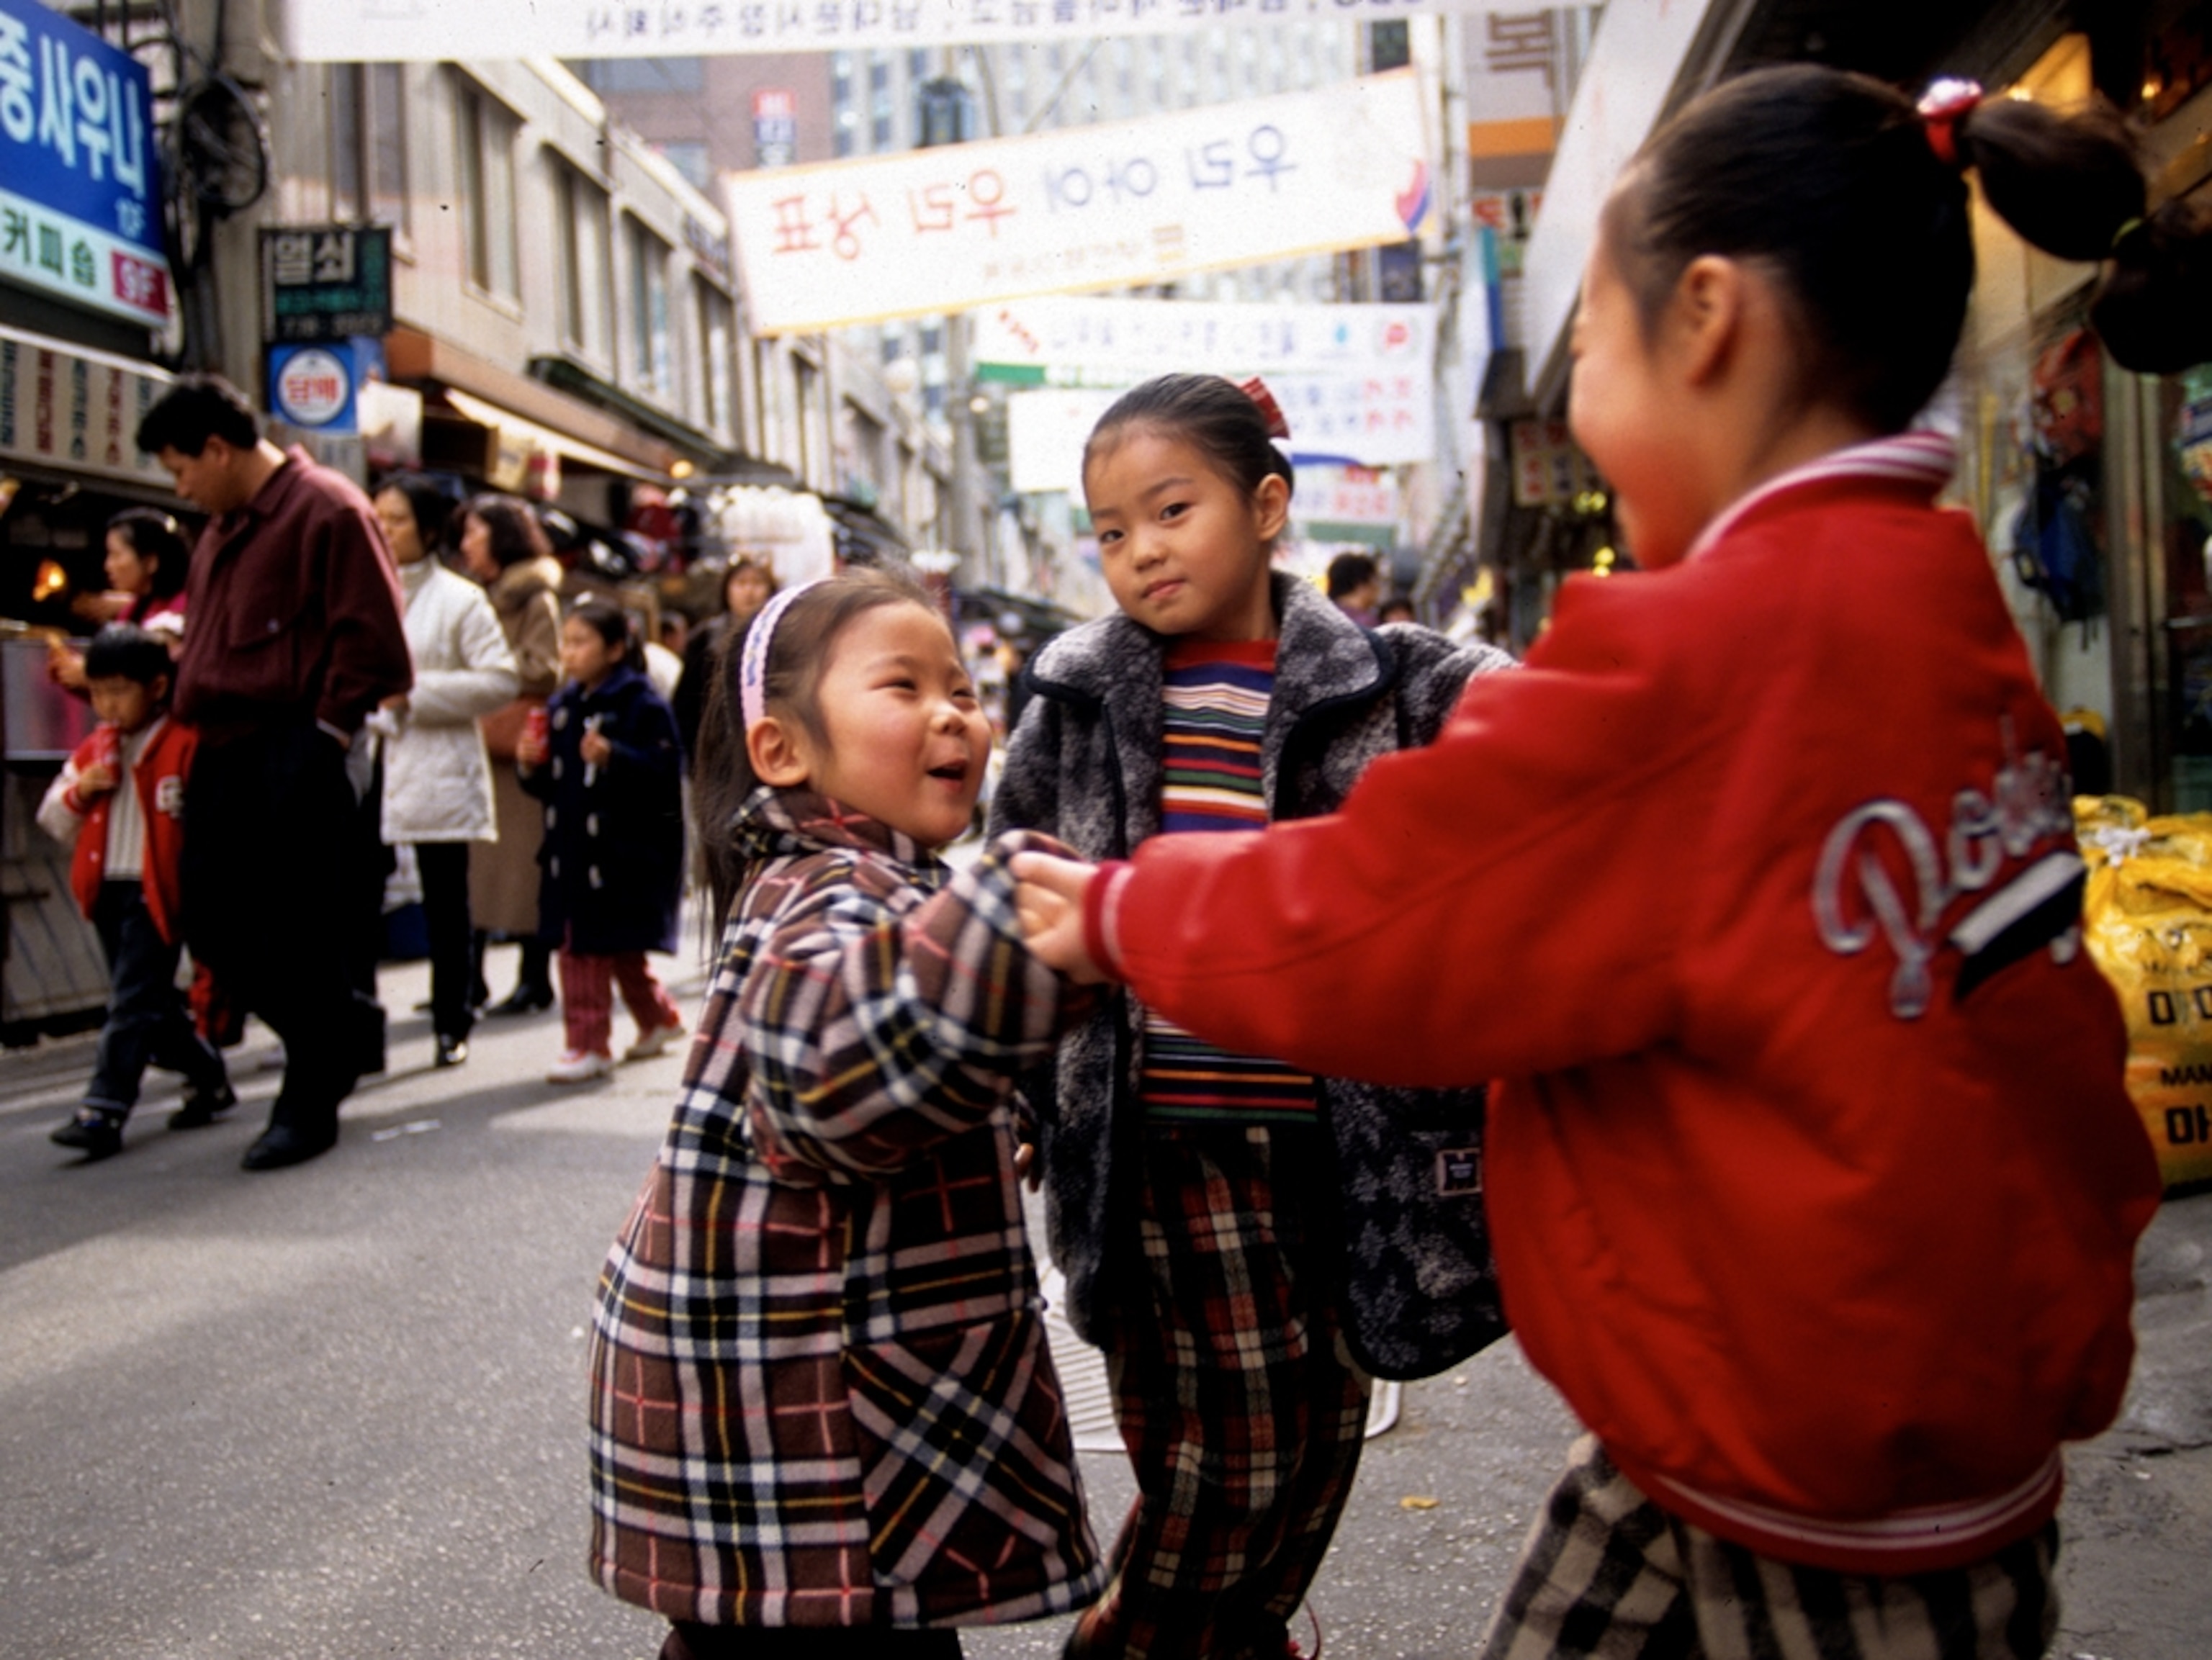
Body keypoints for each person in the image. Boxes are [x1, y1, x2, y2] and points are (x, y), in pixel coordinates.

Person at [1012, 67, 2199, 1659]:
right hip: (1826, 1392)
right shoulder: (1938, 602)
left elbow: (1392, 915)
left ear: (1704, 322)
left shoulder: (1700, 660)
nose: (1575, 394)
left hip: (1808, 1442)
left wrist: (1119, 907)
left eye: (1592, 343)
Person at [988, 373, 1509, 1660]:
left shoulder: (1388, 678)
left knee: (1318, 1440)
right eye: (1111, 530)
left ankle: (1217, 1641)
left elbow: (1537, 730)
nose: (1141, 550)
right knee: (1227, 1458)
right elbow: (1013, 901)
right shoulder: (1073, 697)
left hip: (1341, 1145)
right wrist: (1020, 1090)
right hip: (1155, 1151)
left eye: (1172, 510)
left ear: (1267, 506)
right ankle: (1136, 1642)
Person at [588, 567, 1104, 1660]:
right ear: (782, 750)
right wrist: (1012, 945)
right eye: (904, 686)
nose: (953, 714)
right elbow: (827, 1078)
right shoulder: (833, 890)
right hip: (810, 1428)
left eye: (963, 688)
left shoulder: (873, 879)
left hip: (803, 1410)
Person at [138, 374, 410, 1172]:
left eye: (181, 468)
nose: (181, 487)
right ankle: (341, 1027)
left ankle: (309, 1095)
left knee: (296, 926)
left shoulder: (328, 508)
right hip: (220, 747)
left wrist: (323, 736)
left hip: (295, 740)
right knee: (212, 920)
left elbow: (376, 644)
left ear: (218, 449)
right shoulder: (221, 529)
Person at [39, 624, 234, 1159]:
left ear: (157, 687)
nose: (108, 704)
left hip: (158, 889)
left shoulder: (184, 742)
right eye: (98, 692)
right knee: (151, 1006)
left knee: (131, 1001)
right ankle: (207, 1073)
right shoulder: (96, 747)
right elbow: (53, 817)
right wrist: (81, 792)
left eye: (119, 691)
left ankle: (104, 1108)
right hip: (108, 888)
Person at [369, 475, 520, 1069]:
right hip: (369, 762)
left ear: (429, 530)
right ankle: (360, 1030)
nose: (384, 530)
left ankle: (451, 1017)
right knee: (356, 898)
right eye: (378, 517)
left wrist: (413, 695)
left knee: (445, 902)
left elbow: (500, 680)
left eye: (397, 519)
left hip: (436, 766)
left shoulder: (460, 599)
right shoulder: (358, 590)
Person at [517, 598, 685, 1082]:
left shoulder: (641, 703)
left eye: (580, 642)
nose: (568, 652)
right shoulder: (563, 705)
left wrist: (616, 756)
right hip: (573, 849)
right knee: (616, 946)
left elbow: (666, 770)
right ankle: (658, 1018)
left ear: (614, 648)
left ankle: (589, 1045)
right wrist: (531, 765)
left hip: (623, 853)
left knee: (585, 947)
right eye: (565, 642)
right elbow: (551, 786)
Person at [462, 495, 565, 1016]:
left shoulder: (533, 597)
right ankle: (469, 978)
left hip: (517, 751)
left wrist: (483, 671)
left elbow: (545, 667)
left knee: (523, 867)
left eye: (474, 533)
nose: (465, 545)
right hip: (481, 745)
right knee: (476, 867)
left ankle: (533, 977)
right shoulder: (481, 594)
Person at [47, 508, 194, 689]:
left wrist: (90, 675)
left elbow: (145, 679)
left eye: (116, 555)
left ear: (151, 562)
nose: (108, 566)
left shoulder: (182, 609)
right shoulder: (131, 610)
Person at [673, 556, 776, 762]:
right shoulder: (705, 637)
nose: (749, 591)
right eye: (741, 583)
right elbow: (685, 704)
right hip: (716, 746)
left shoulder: (781, 636)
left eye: (757, 583)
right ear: (727, 590)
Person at [1323, 551, 1380, 625]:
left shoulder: (1321, 616)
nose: (1378, 588)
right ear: (1361, 585)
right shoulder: (1367, 623)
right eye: (1375, 580)